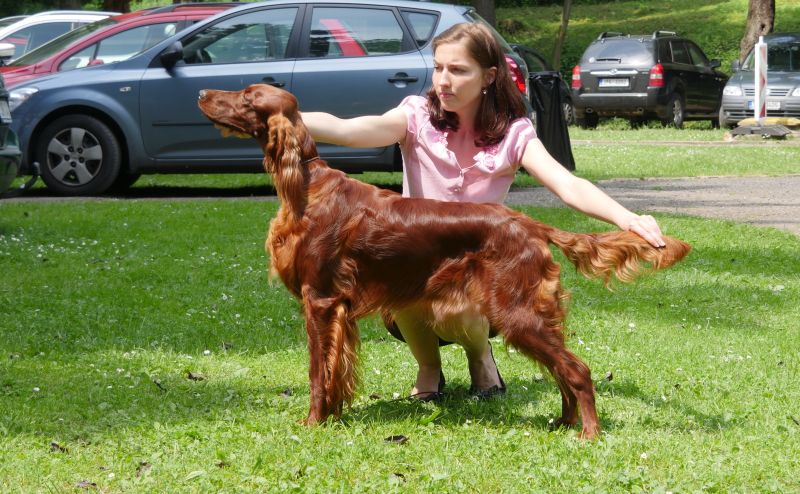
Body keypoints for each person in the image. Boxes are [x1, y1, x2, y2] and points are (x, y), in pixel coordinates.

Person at [300, 22, 665, 401]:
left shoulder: (513, 134)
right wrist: (282, 115)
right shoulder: (415, 117)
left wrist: (627, 218)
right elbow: (349, 129)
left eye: (458, 70)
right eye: (439, 67)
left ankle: (480, 360)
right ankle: (428, 369)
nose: (443, 80)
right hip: (412, 274)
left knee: (456, 304)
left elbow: (567, 184)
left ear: (488, 76)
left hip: (478, 275)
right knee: (400, 279)